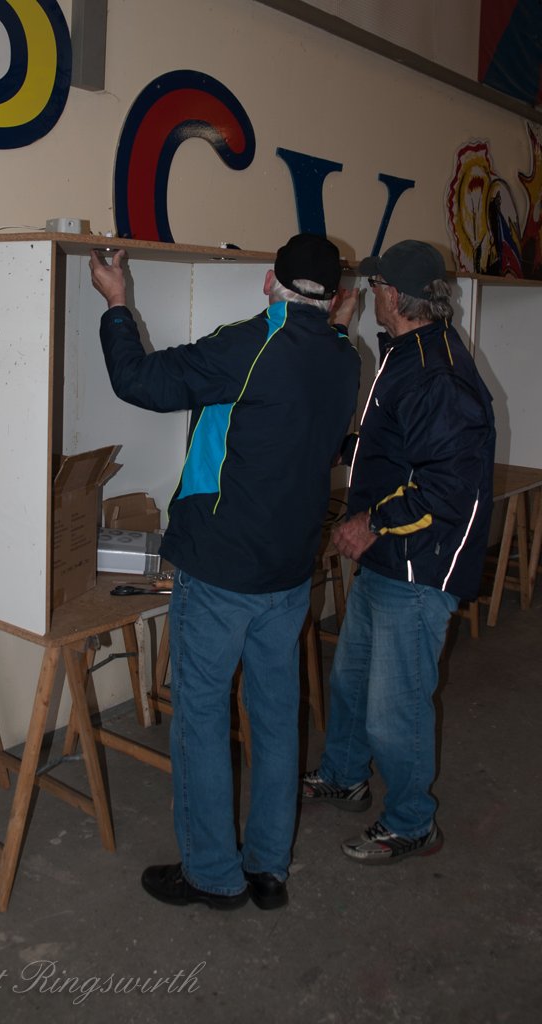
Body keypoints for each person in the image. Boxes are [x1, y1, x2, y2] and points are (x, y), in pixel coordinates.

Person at [89, 234, 360, 910]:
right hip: (289, 572)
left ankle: (212, 873)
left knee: (202, 717)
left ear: (270, 281)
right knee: (277, 718)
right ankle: (268, 869)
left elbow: (138, 381)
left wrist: (117, 302)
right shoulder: (344, 355)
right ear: (335, 298)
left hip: (220, 571)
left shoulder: (250, 345)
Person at [302, 239, 496, 864]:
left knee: (397, 707)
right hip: (391, 558)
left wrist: (371, 523)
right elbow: (397, 443)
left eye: (375, 287)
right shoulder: (408, 351)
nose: (371, 296)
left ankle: (412, 823)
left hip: (418, 566)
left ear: (391, 295)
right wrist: (343, 449)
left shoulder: (437, 374)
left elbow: (447, 487)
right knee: (353, 681)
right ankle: (345, 775)